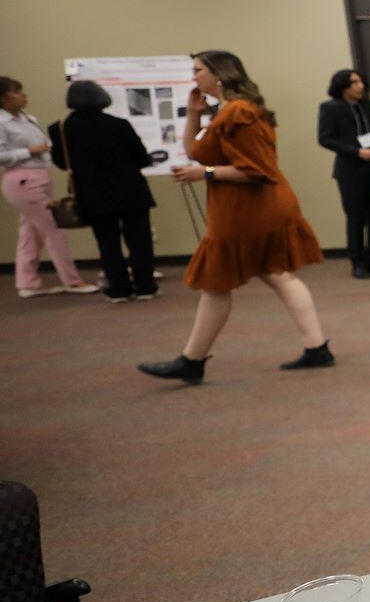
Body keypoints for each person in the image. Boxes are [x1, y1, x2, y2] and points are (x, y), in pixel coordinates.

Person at [140, 50, 332, 383]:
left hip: (250, 210)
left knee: (217, 283)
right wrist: (194, 116)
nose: (194, 77)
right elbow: (194, 151)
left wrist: (205, 174)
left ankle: (192, 360)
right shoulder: (226, 112)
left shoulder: (239, 113)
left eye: (198, 70)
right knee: (276, 274)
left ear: (219, 74)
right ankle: (317, 348)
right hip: (249, 208)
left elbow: (258, 171)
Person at [49, 81, 156, 302]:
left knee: (107, 243)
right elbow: (142, 158)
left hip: (92, 193)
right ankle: (145, 286)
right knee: (139, 240)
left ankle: (119, 288)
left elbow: (61, 162)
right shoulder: (118, 124)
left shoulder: (59, 129)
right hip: (130, 190)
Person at [1, 76, 97, 298]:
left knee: (30, 233)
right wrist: (29, 152)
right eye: (17, 91)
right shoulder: (1, 123)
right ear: (4, 98)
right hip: (22, 180)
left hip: (40, 177)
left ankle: (27, 283)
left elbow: (46, 146)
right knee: (55, 229)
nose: (23, 96)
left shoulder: (28, 119)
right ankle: (72, 281)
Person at [317, 68, 370, 280]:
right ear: (343, 87)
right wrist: (357, 151)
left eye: (361, 81)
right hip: (350, 170)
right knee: (356, 217)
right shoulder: (330, 108)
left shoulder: (368, 105)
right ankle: (357, 261)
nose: (360, 86)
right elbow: (325, 138)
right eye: (354, 83)